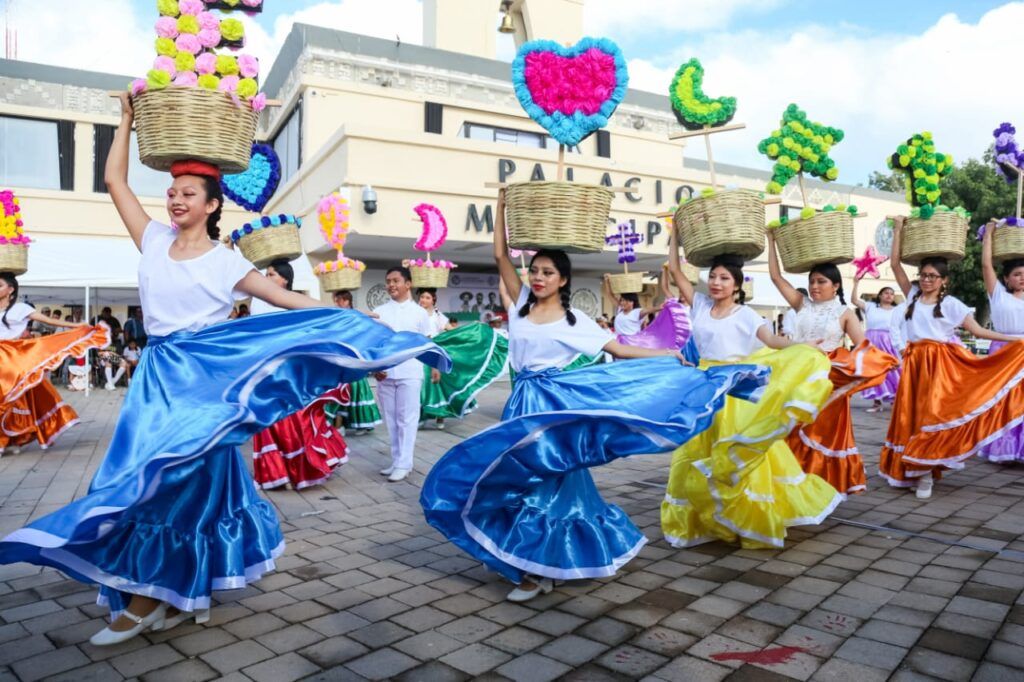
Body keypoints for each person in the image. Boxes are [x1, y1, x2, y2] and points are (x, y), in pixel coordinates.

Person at [0, 93, 449, 647]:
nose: (174, 200)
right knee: (151, 479)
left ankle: (148, 598)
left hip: (205, 382)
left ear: (213, 204)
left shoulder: (225, 261)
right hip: (156, 379)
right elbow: (116, 182)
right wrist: (124, 120)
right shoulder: (154, 240)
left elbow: (288, 303)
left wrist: (360, 328)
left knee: (179, 482)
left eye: (187, 193)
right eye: (171, 192)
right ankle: (176, 592)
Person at [422, 189, 769, 603]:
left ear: (563, 280)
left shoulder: (575, 321)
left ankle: (535, 572)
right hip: (520, 406)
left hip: (552, 409)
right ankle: (525, 561)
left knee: (552, 486)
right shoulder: (517, 308)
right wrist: (501, 208)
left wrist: (667, 353)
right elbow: (500, 256)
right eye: (535, 270)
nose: (538, 277)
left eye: (548, 272)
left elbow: (618, 349)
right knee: (510, 481)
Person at [661, 229, 842, 548]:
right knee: (695, 451)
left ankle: (743, 517)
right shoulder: (700, 305)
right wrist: (675, 234)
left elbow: (772, 341)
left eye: (724, 279)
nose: (716, 283)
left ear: (736, 285)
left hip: (733, 391)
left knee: (733, 451)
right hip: (702, 388)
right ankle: (707, 520)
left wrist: (800, 344)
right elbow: (675, 270)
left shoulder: (745, 314)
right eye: (713, 277)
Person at [879, 216, 1021, 499]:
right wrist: (898, 230)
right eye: (924, 275)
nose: (927, 280)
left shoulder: (952, 305)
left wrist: (1016, 340)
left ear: (944, 280)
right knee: (911, 417)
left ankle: (926, 475)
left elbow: (980, 331)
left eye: (933, 276)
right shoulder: (912, 296)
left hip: (940, 367)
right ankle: (910, 468)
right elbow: (894, 265)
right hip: (914, 364)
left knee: (932, 416)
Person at [766, 233, 898, 497]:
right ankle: (791, 486)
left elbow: (863, 346)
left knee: (820, 432)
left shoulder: (845, 313)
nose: (815, 286)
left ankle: (819, 487)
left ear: (835, 286)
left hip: (827, 380)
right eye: (812, 281)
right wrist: (772, 240)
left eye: (821, 281)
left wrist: (883, 363)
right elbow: (776, 277)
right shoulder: (801, 304)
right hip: (795, 373)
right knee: (789, 428)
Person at [251, 260, 351, 490]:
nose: (267, 277)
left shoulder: (292, 302)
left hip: (288, 371)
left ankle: (295, 470)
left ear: (285, 279)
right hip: (264, 369)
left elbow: (313, 328)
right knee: (267, 420)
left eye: (272, 274)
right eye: (266, 274)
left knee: (291, 420)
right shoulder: (258, 302)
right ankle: (272, 473)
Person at [0, 272, 107, 457]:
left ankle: (8, 440)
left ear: (10, 290)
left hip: (12, 358)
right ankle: (10, 440)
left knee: (6, 399)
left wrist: (76, 327)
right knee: (13, 399)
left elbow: (49, 321)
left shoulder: (19, 309)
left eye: (0, 285)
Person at [373, 267, 439, 482]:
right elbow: (375, 344)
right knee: (390, 420)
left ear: (408, 284)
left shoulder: (420, 313)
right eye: (388, 281)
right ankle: (396, 460)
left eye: (396, 281)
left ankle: (405, 463)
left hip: (410, 372)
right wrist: (375, 367)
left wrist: (435, 367)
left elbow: (428, 344)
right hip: (385, 373)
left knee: (407, 419)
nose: (391, 285)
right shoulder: (379, 311)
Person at [975, 221, 1024, 463]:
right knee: (1002, 401)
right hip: (1003, 350)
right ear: (1006, 278)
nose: (1022, 278)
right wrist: (989, 235)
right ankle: (1001, 448)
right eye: (1017, 274)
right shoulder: (998, 296)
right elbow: (986, 265)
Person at [331, 291, 383, 435]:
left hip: (354, 355)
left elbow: (370, 318)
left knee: (357, 388)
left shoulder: (355, 315)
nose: (337, 303)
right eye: (336, 300)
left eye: (339, 300)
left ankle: (360, 423)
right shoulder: (337, 317)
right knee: (341, 389)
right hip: (341, 356)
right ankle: (339, 424)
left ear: (347, 301)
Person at [852, 278, 901, 412]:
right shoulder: (871, 306)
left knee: (892, 370)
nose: (889, 295)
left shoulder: (897, 310)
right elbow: (854, 301)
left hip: (889, 341)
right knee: (874, 371)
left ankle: (894, 401)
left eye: (891, 293)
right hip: (872, 342)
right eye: (886, 293)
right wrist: (856, 283)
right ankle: (877, 403)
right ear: (879, 295)